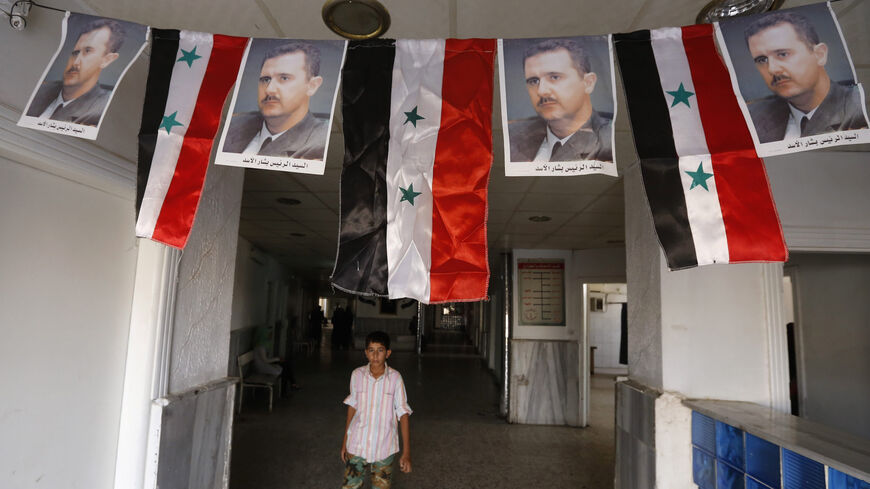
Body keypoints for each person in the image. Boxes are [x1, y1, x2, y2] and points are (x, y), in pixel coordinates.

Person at [744, 11, 868, 143]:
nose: (772, 69)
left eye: (783, 54)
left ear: (819, 55)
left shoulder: (860, 108)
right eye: (762, 60)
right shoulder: (753, 116)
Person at [508, 38, 613, 163]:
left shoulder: (611, 141)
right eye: (534, 81)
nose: (541, 91)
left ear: (588, 83)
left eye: (554, 77)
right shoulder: (511, 135)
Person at [222, 41, 328, 158]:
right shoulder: (232, 125)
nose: (269, 90)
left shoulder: (321, 145)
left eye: (284, 78)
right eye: (266, 79)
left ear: (312, 86)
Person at [340, 331, 412, 489]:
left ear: (388, 353)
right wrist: (345, 441)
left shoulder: (395, 378)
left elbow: (403, 414)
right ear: (366, 353)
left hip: (384, 447)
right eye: (371, 350)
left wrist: (406, 453)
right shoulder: (357, 375)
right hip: (357, 444)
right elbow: (352, 408)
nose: (375, 355)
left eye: (380, 350)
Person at [26, 18, 125, 126]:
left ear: (106, 60)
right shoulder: (41, 90)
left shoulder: (102, 108)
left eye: (88, 51)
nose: (75, 62)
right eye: (75, 53)